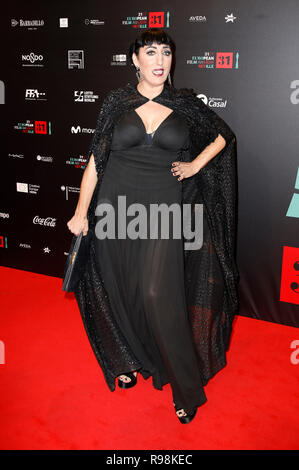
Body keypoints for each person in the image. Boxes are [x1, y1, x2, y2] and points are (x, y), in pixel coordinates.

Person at [66, 28, 238, 424]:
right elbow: (96, 161)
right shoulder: (116, 103)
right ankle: (130, 358)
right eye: (150, 52)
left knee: (159, 293)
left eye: (165, 52)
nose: (160, 60)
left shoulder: (185, 103)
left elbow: (223, 137)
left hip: (162, 211)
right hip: (114, 208)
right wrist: (81, 211)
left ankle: (185, 388)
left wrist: (196, 164)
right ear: (135, 60)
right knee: (121, 288)